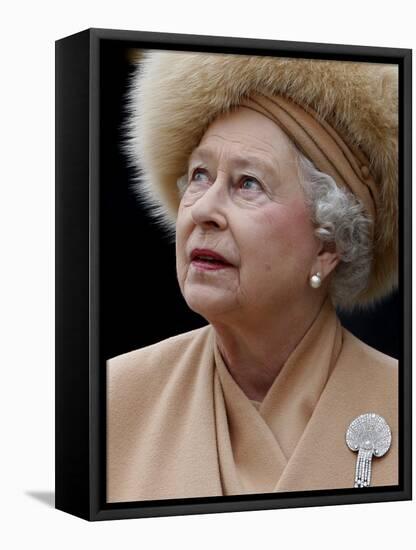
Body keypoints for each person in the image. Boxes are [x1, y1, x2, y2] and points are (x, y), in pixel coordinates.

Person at [106, 51, 399, 502]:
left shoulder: (403, 409)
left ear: (328, 245)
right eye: (199, 175)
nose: (202, 210)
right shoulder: (113, 399)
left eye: (248, 183)